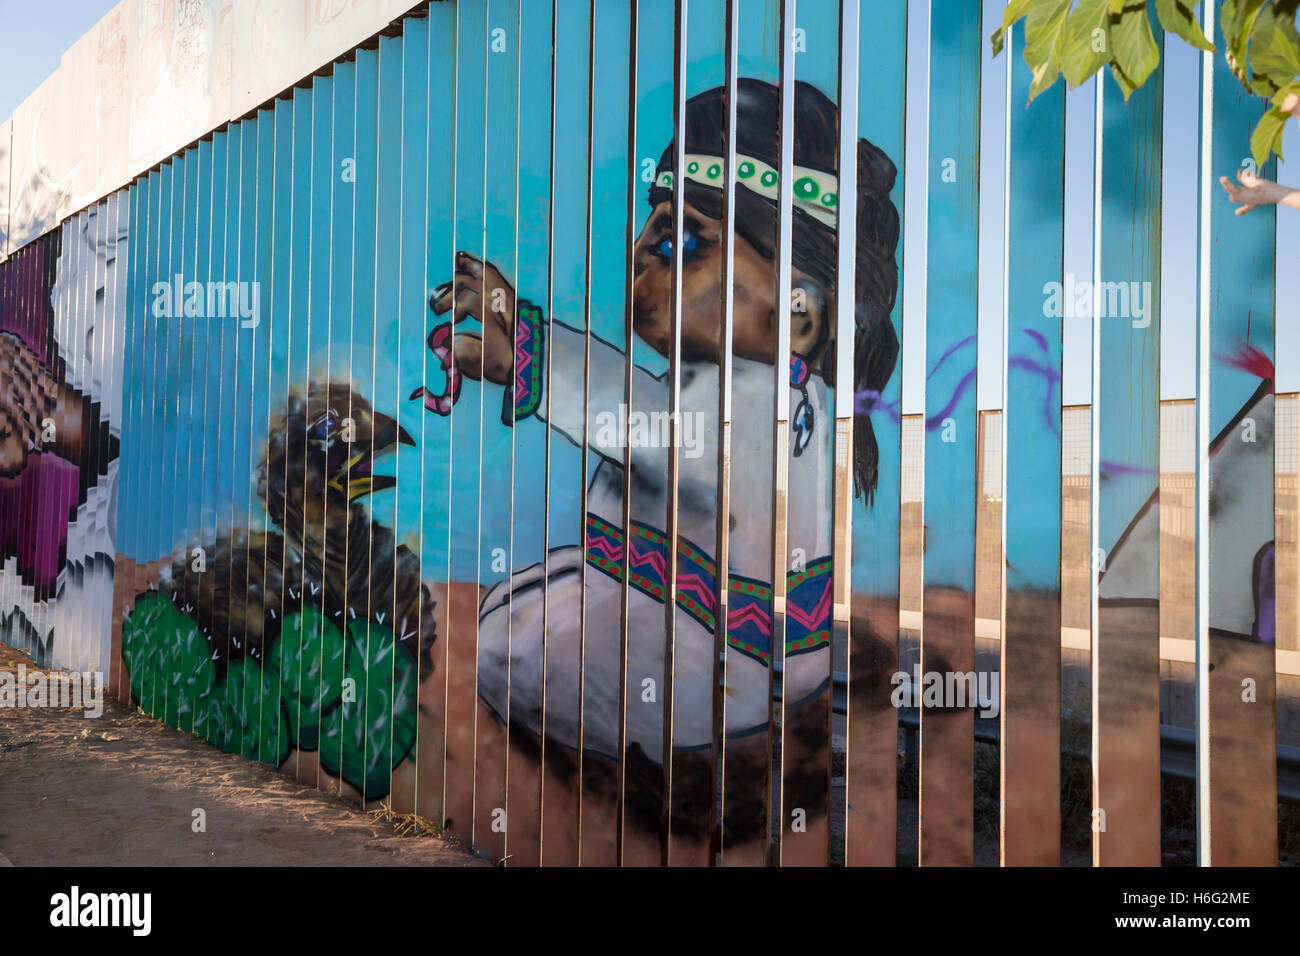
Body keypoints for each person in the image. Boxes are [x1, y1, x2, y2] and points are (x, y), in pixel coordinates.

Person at [419, 78, 900, 849]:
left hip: (694, 670)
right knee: (523, 613)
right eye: (655, 224)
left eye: (682, 240)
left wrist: (529, 351)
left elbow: (651, 426)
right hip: (707, 656)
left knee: (511, 639)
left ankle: (658, 784)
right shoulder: (772, 396)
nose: (643, 246)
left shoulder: (753, 407)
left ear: (801, 311)